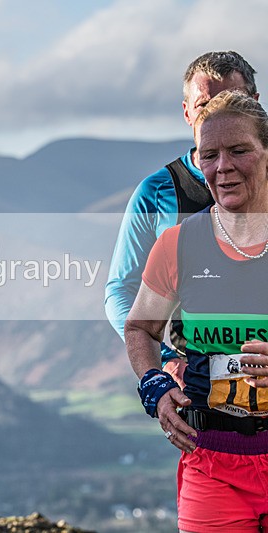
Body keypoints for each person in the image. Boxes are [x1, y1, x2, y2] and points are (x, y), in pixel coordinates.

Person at [126, 90, 268, 533]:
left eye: (239, 150)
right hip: (212, 461)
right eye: (209, 155)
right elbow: (140, 328)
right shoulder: (179, 243)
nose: (222, 166)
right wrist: (153, 384)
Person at [106, 51, 258, 386]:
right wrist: (165, 360)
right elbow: (121, 288)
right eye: (205, 105)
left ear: (256, 104)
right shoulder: (158, 192)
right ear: (187, 112)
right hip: (198, 386)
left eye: (232, 101)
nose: (218, 113)